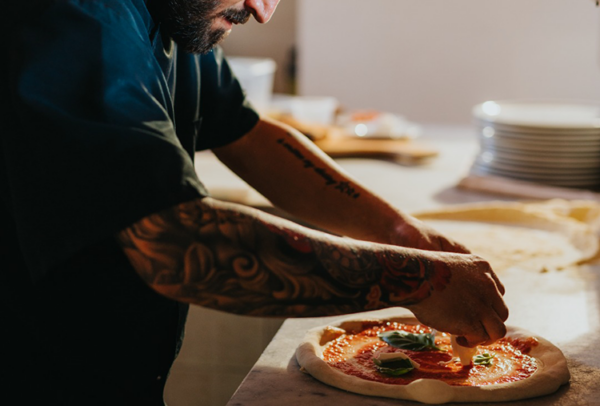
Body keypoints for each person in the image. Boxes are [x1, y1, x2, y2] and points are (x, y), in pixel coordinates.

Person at [0, 0, 508, 404]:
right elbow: (179, 245)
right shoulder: (74, 19)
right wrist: (417, 278)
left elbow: (245, 134)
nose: (264, 10)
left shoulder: (178, 11)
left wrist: (403, 235)